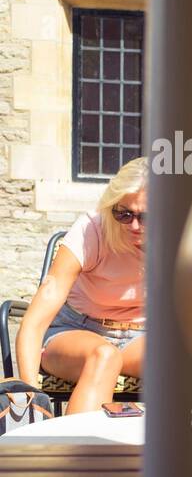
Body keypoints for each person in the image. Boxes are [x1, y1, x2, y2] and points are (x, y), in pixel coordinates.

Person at [15, 158, 148, 415]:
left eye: (146, 216)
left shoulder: (179, 237)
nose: (133, 226)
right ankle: (76, 453)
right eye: (124, 213)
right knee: (104, 356)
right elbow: (35, 321)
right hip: (76, 331)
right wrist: (30, 393)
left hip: (140, 337)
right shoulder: (92, 231)